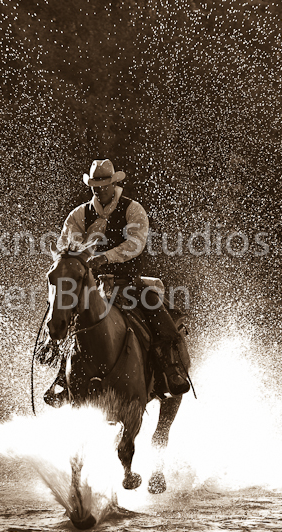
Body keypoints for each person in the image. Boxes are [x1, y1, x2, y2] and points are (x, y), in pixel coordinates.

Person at [45, 159, 190, 405]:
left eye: (103, 184)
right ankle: (60, 371)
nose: (99, 189)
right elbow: (65, 247)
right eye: (94, 185)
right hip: (89, 283)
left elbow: (136, 243)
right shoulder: (79, 214)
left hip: (128, 283)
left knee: (157, 313)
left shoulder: (132, 209)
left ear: (114, 183)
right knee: (62, 306)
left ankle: (171, 369)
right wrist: (78, 259)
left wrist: (105, 257)